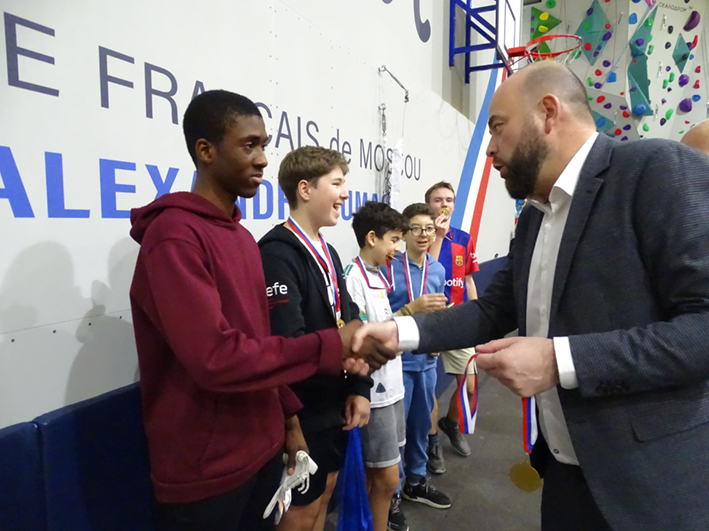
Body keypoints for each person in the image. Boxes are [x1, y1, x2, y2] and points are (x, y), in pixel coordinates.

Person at [351, 61, 709, 531]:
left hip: (648, 486)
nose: (490, 148)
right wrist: (398, 332)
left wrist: (559, 360)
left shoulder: (656, 169)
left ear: (548, 113)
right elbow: (493, 310)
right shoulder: (537, 215)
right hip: (564, 474)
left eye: (498, 127)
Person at [129, 90, 393, 531]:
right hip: (206, 473)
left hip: (261, 452)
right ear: (206, 151)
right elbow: (215, 358)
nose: (263, 159)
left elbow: (259, 341)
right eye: (249, 145)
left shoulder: (240, 238)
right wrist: (334, 344)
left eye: (264, 145)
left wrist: (288, 422)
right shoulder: (174, 236)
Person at [259, 146, 374, 531]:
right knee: (301, 510)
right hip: (303, 411)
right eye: (337, 184)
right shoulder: (277, 255)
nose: (345, 194)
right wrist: (291, 423)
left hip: (333, 403)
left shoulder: (328, 252)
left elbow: (351, 321)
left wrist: (359, 386)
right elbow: (286, 344)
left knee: (325, 494)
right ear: (305, 189)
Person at [343, 201, 409, 531]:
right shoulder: (353, 279)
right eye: (394, 240)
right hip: (375, 394)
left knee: (379, 478)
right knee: (386, 479)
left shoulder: (378, 275)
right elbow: (358, 343)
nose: (398, 248)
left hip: (393, 390)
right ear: (372, 238)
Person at [386, 203, 452, 514]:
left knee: (420, 427)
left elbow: (439, 313)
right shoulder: (389, 267)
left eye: (428, 229)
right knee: (395, 436)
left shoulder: (437, 270)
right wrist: (412, 307)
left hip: (427, 364)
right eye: (416, 228)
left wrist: (439, 337)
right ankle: (391, 496)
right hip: (397, 364)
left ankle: (415, 481)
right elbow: (380, 315)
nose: (423, 234)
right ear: (404, 233)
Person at [424, 181, 480, 470]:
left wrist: (479, 319)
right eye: (437, 200)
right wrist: (437, 235)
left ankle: (451, 422)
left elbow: (468, 280)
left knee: (469, 387)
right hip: (429, 321)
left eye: (448, 199)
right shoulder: (419, 235)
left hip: (458, 320)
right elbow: (426, 272)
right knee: (428, 387)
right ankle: (432, 441)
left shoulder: (464, 239)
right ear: (429, 205)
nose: (443, 204)